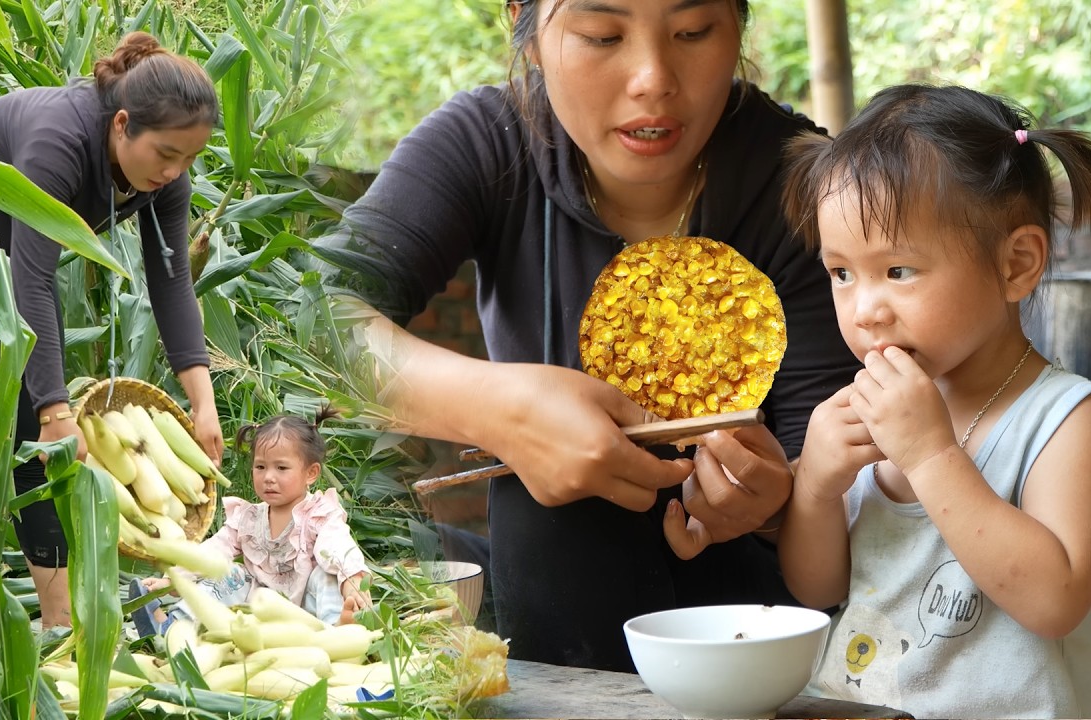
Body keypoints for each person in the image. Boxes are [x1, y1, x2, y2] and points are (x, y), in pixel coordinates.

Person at [315, 0, 859, 670]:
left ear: (739, 24)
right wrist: (499, 408)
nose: (652, 77)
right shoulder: (489, 142)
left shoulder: (814, 189)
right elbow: (304, 322)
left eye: (692, 32)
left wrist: (774, 508)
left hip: (750, 625)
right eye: (603, 35)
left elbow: (856, 502)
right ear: (529, 30)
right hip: (542, 593)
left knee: (557, 515)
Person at [776, 84, 1091, 718]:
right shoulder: (870, 407)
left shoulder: (1065, 420)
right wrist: (816, 486)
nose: (865, 310)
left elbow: (1057, 601)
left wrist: (930, 457)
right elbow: (817, 587)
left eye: (898, 271)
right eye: (842, 273)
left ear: (1016, 264)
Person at [0, 32, 223, 629]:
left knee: (34, 449)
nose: (174, 172)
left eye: (189, 160)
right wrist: (55, 409)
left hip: (4, 266)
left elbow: (170, 281)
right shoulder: (60, 139)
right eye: (166, 154)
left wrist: (203, 396)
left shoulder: (166, 175)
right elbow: (34, 280)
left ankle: (59, 626)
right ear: (121, 125)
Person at [132, 406, 373, 632]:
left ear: (311, 473)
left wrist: (352, 579)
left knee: (326, 573)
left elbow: (337, 545)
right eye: (260, 467)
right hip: (255, 611)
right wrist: (174, 579)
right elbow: (211, 553)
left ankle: (339, 627)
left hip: (308, 613)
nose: (268, 477)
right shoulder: (247, 518)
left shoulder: (318, 513)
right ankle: (177, 625)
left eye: (281, 468)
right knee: (231, 573)